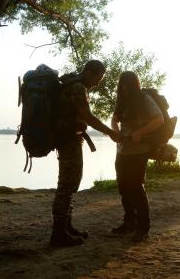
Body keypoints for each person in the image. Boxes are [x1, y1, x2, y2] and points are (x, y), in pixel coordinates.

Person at [51, 60, 120, 247]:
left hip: (70, 139)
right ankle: (58, 234)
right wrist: (111, 132)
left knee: (72, 181)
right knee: (67, 184)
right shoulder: (78, 87)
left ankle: (67, 227)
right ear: (89, 72)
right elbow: (87, 116)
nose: (98, 83)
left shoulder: (74, 85)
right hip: (68, 141)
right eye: (98, 78)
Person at [110, 71, 164, 242]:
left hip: (139, 151)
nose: (124, 88)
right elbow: (114, 119)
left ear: (134, 84)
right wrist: (116, 131)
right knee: (123, 187)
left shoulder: (144, 99)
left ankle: (143, 228)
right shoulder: (122, 101)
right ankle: (129, 223)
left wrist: (140, 132)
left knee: (136, 187)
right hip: (122, 150)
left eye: (127, 84)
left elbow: (159, 119)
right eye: (122, 84)